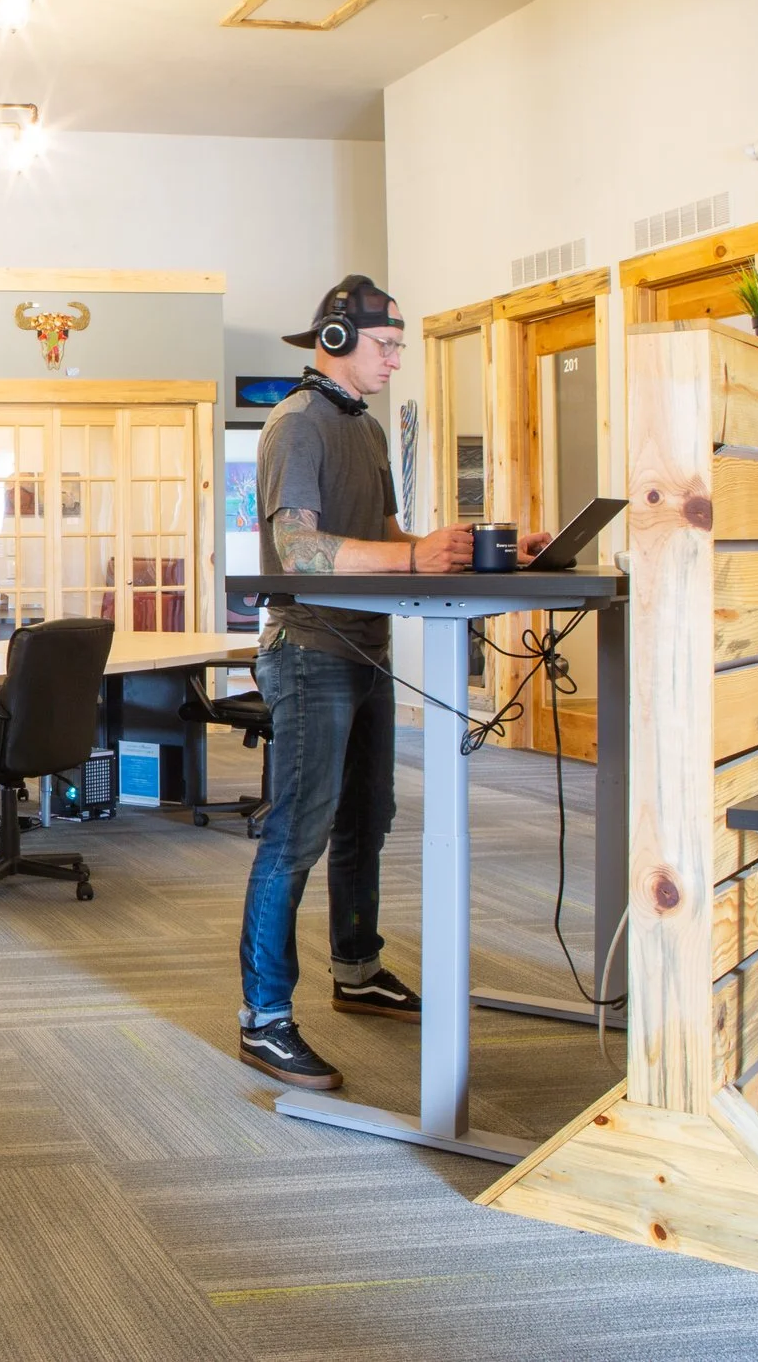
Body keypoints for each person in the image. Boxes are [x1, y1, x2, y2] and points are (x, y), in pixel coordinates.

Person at [235, 276, 546, 1090]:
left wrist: (477, 550)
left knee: (366, 819)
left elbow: (383, 538)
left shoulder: (366, 429)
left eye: (400, 345)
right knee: (296, 834)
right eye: (387, 345)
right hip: (310, 652)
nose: (397, 358)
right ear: (336, 342)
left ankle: (357, 968)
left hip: (366, 649)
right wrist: (413, 556)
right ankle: (264, 1017)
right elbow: (299, 553)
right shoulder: (295, 426)